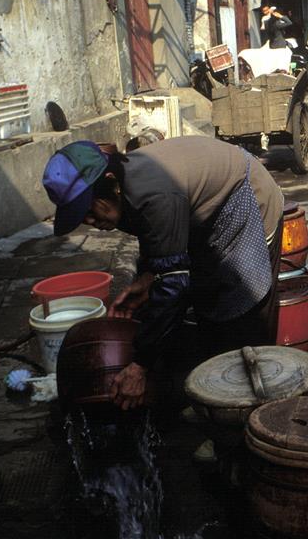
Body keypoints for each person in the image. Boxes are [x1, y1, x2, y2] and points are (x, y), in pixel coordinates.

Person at [41, 136, 284, 410]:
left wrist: (139, 366)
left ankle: (255, 409)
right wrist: (148, 278)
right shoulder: (125, 188)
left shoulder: (155, 196)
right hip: (203, 213)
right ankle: (215, 393)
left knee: (241, 311)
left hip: (243, 196)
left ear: (111, 183)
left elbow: (174, 287)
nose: (89, 221)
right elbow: (158, 242)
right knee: (205, 304)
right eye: (80, 216)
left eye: (89, 209)